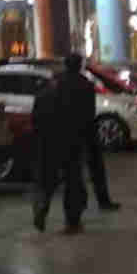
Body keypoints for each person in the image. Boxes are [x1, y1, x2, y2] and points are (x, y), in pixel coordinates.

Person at [32, 55, 92, 232]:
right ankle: (72, 222)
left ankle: (41, 206)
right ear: (80, 66)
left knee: (47, 178)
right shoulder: (85, 86)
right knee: (73, 181)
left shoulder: (52, 85)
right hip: (72, 140)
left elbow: (37, 114)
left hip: (49, 139)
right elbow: (89, 116)